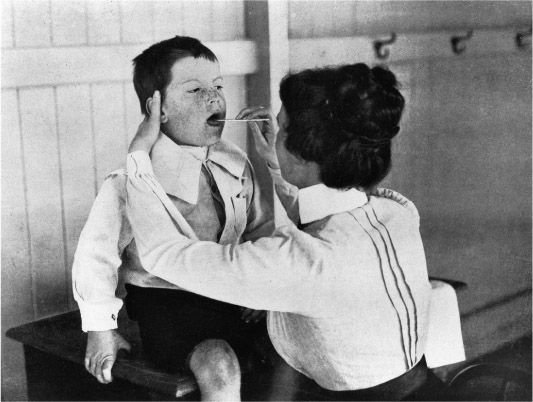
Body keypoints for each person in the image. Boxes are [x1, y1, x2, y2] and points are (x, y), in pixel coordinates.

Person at [125, 63, 453, 400]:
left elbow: (162, 254)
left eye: (281, 128)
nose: (275, 133)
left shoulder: (302, 260)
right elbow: (324, 218)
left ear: (303, 154)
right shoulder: (397, 211)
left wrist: (138, 156)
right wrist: (277, 161)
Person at [72, 36, 273, 400]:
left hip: (230, 294)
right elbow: (95, 255)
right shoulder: (130, 181)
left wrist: (264, 291)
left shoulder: (236, 163)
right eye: (195, 90)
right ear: (157, 109)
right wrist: (100, 328)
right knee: (219, 363)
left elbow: (258, 231)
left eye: (218, 87)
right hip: (168, 304)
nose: (214, 99)